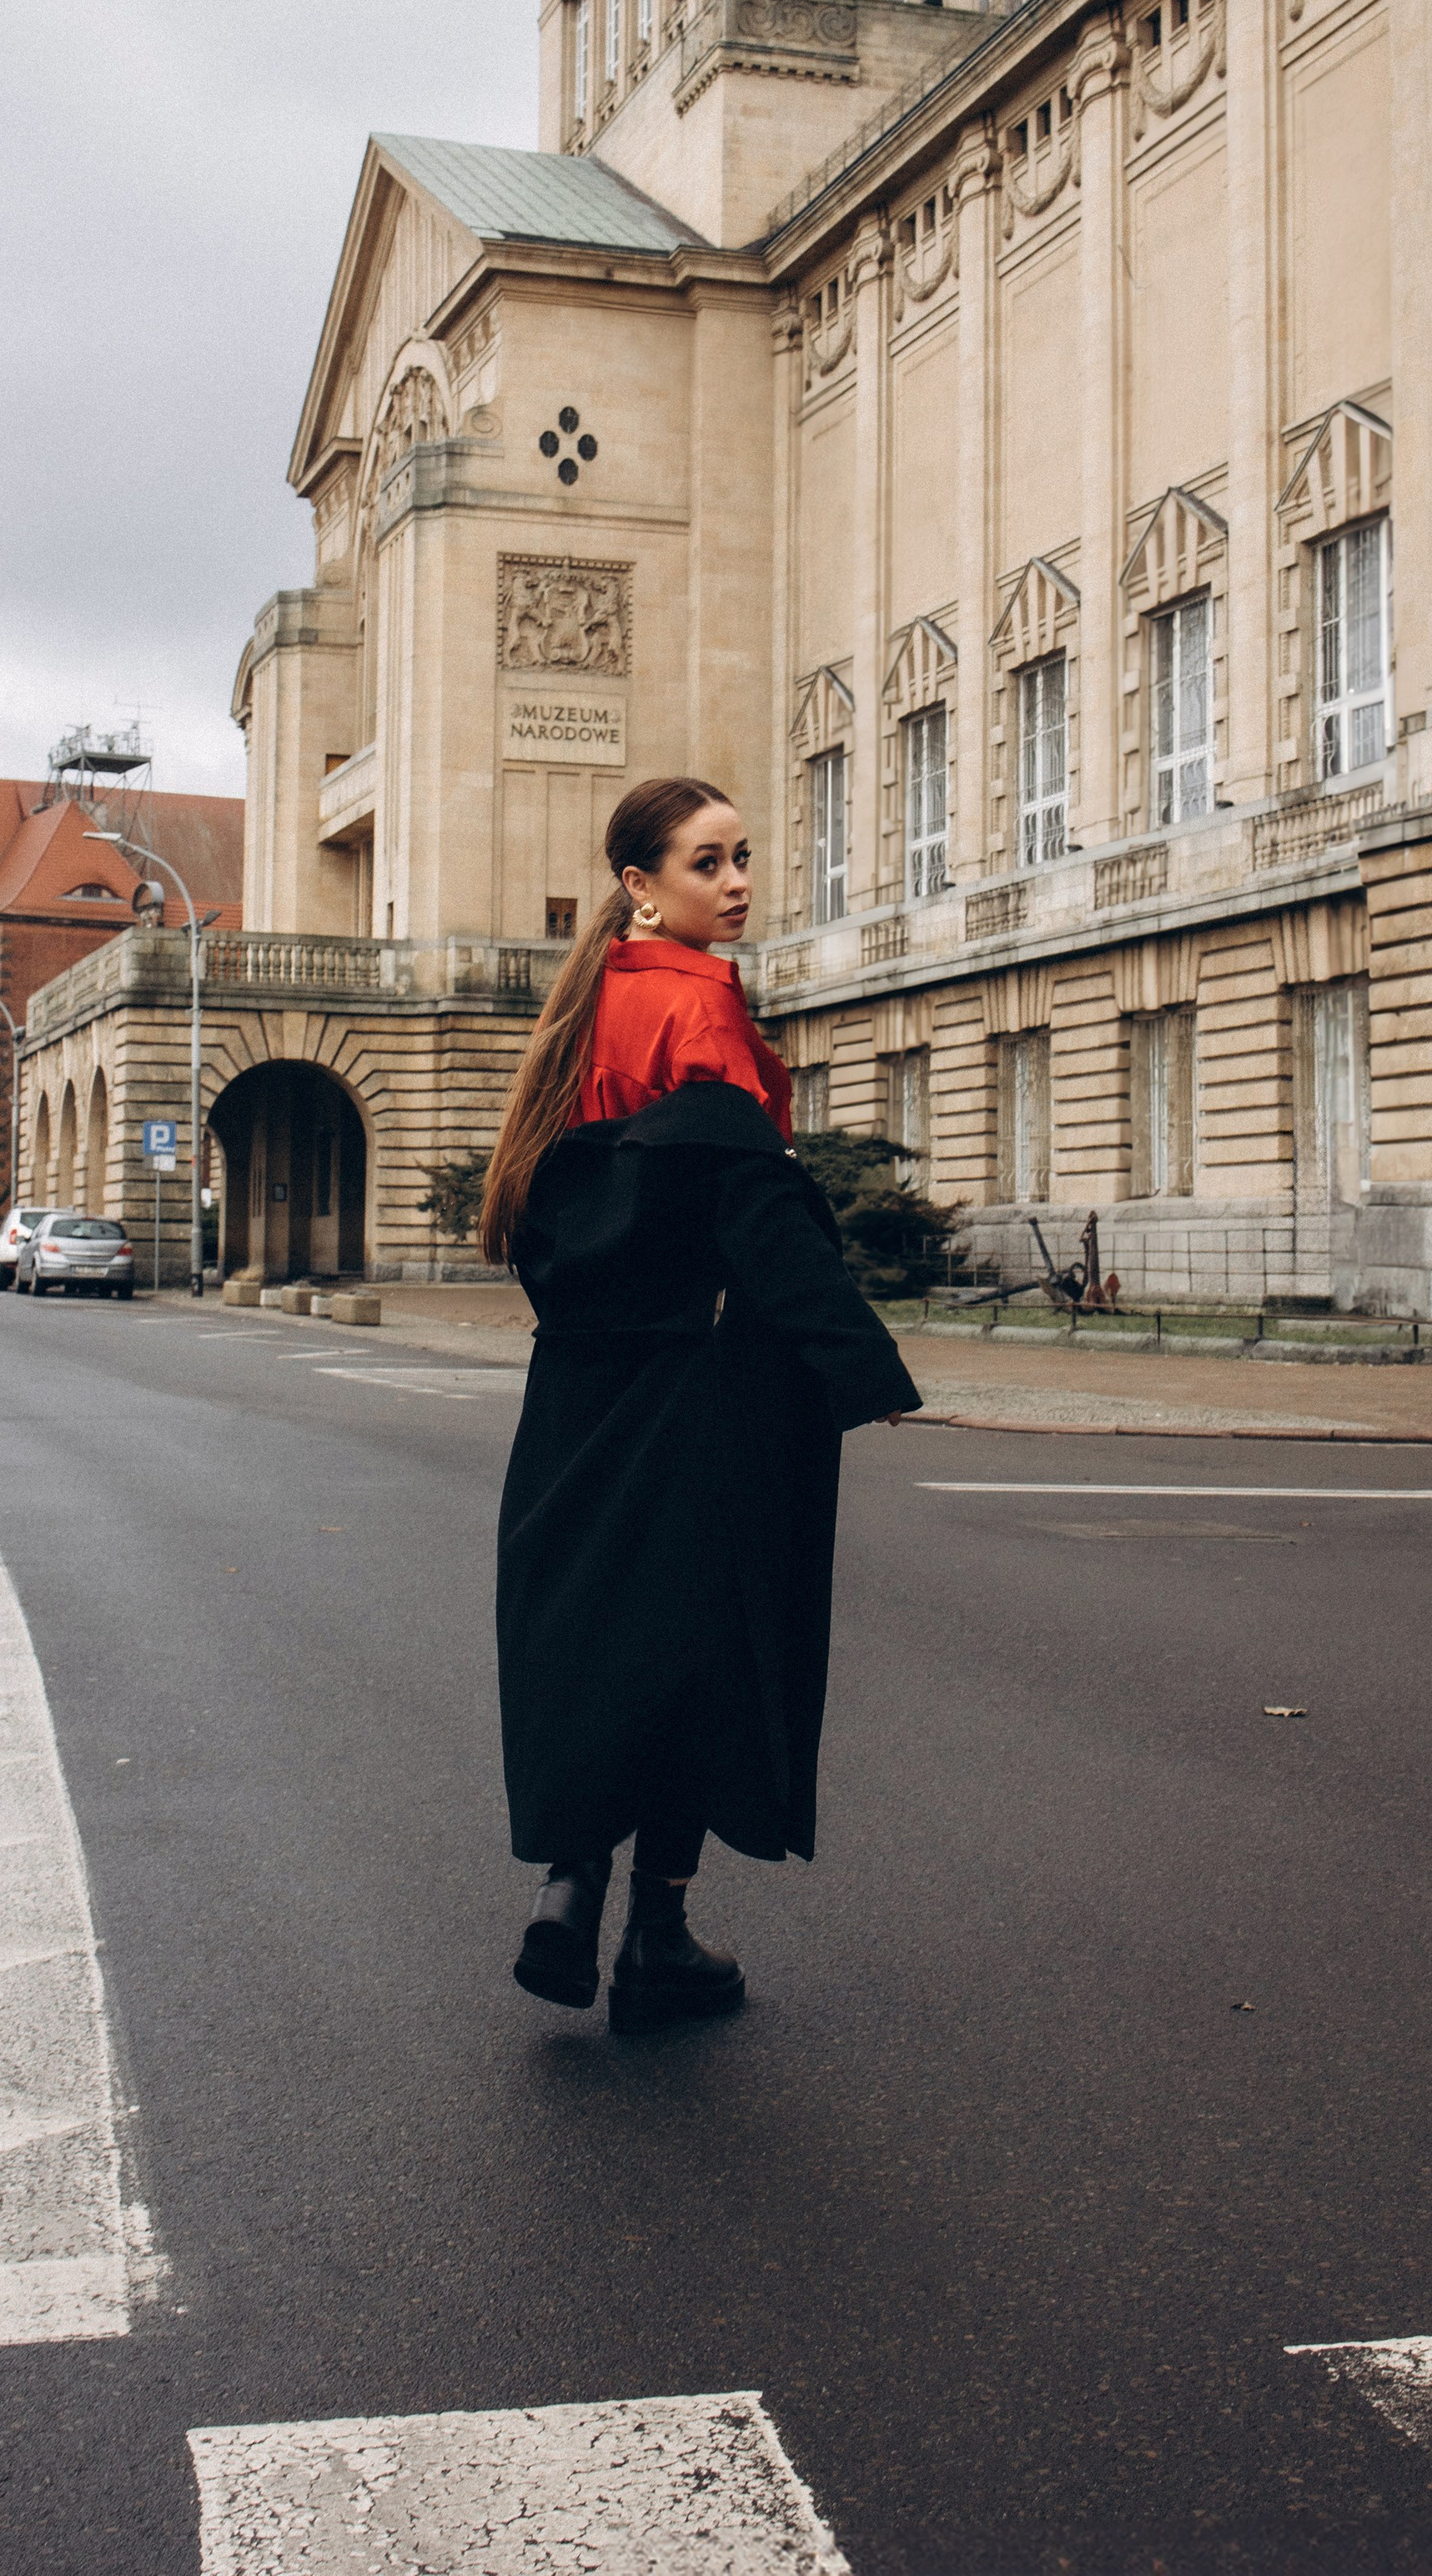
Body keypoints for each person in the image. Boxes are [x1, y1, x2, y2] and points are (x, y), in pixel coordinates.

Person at [481, 773, 922, 2036]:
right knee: (705, 1657)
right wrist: (862, 1368)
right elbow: (755, 1210)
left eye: (743, 858)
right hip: (696, 1389)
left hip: (576, 1391)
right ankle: (658, 1939)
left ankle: (571, 1893)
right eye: (708, 863)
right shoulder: (699, 1010)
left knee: (595, 1639)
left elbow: (554, 1212)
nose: (737, 884)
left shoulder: (585, 1011)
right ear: (641, 886)